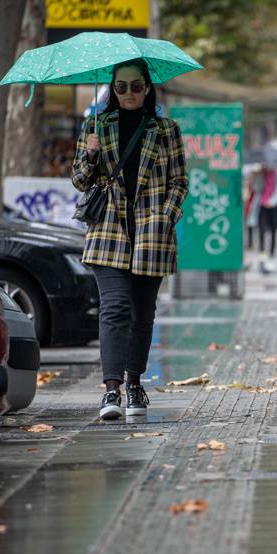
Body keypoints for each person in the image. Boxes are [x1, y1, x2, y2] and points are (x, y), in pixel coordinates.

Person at [71, 57, 188, 420]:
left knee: (142, 315)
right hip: (109, 231)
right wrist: (90, 156)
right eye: (121, 87)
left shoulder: (166, 129)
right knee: (115, 308)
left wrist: (165, 217)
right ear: (112, 89)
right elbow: (79, 181)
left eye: (136, 86)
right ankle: (111, 391)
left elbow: (180, 182)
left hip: (152, 235)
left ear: (147, 87)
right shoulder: (96, 126)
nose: (129, 93)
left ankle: (135, 383)